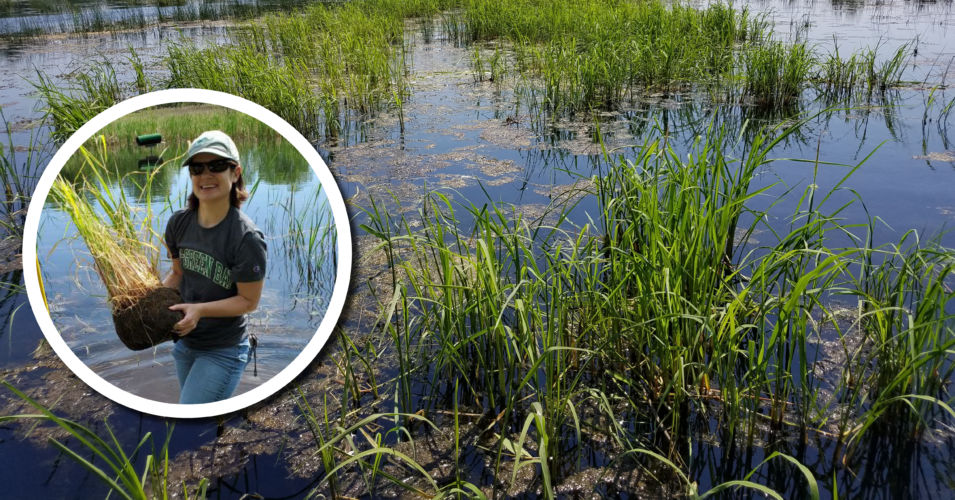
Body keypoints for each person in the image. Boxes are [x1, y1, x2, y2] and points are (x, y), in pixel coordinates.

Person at [163, 130, 267, 404]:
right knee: (199, 423)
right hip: (185, 344)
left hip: (224, 350)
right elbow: (176, 274)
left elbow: (248, 301)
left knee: (188, 417)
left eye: (217, 166)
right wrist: (146, 301)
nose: (206, 175)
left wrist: (200, 311)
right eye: (197, 168)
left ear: (235, 173)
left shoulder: (246, 238)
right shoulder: (178, 224)